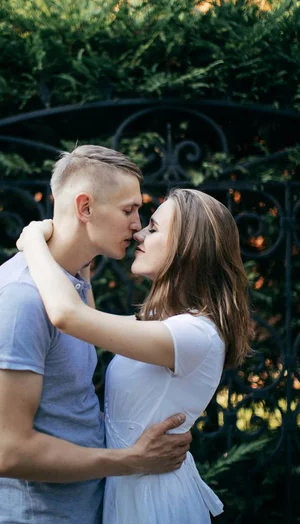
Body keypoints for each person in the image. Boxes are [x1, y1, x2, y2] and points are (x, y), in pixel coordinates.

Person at [0, 145, 192, 524]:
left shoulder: (71, 284)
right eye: (128, 210)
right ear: (85, 208)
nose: (137, 224)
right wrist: (131, 461)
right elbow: (9, 454)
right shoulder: (20, 301)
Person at [16, 187, 253, 524]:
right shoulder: (165, 325)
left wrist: (34, 241)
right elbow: (88, 320)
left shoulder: (193, 335)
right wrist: (82, 241)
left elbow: (69, 316)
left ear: (188, 248)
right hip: (132, 488)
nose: (139, 233)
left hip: (155, 501)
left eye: (154, 229)